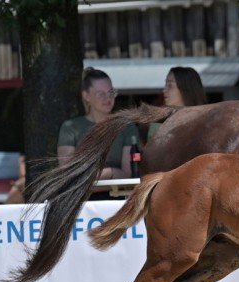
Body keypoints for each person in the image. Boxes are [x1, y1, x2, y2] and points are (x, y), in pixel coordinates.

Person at [57, 68, 138, 200]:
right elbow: (68, 176)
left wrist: (88, 179)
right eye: (101, 94)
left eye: (111, 92)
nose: (108, 98)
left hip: (118, 200)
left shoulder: (127, 127)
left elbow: (128, 175)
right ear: (86, 96)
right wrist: (111, 173)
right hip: (78, 203)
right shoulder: (70, 128)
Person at [147, 66, 206, 141]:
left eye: (170, 85)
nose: (164, 90)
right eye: (165, 85)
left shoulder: (206, 122)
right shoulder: (158, 126)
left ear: (185, 88)